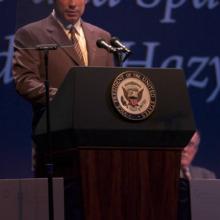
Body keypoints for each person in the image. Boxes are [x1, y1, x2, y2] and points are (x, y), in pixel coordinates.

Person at [13, 1, 114, 219]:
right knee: (62, 208)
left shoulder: (102, 36)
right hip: (56, 138)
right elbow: (24, 81)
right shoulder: (31, 34)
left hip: (98, 141)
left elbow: (109, 82)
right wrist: (64, 96)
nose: (71, 3)